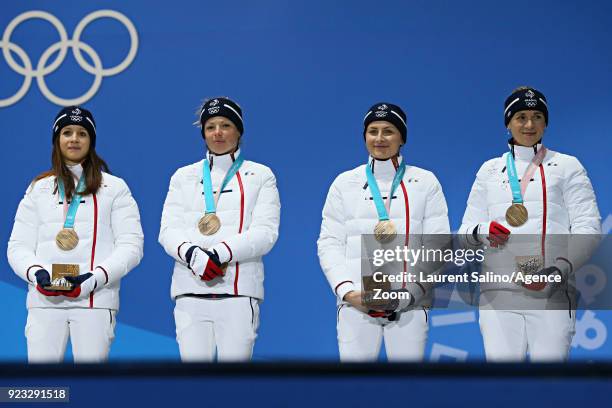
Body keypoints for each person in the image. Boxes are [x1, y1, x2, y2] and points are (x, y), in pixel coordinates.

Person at [458, 86, 601, 361]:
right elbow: (465, 232)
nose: (529, 124)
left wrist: (558, 270)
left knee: (550, 390)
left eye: (537, 116)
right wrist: (482, 232)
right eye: (521, 116)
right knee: (501, 389)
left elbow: (588, 229)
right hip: (498, 294)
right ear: (508, 122)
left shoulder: (567, 166)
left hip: (551, 294)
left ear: (546, 123)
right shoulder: (488, 170)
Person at [7, 106, 144, 363]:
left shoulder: (114, 188)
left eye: (82, 133)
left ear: (91, 141)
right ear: (57, 140)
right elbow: (17, 247)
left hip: (95, 301)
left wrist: (92, 279)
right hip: (44, 302)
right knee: (43, 388)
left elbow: (132, 246)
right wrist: (37, 274)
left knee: (91, 390)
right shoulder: (38, 189)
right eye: (67, 132)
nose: (74, 139)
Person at [317, 102, 450, 362]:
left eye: (388, 131)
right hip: (356, 303)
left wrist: (409, 293)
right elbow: (329, 243)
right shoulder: (344, 183)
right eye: (373, 131)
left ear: (402, 137)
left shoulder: (425, 182)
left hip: (410, 304)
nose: (379, 138)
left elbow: (439, 245)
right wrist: (347, 291)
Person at [159, 97, 280, 362]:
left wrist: (217, 254)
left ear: (239, 130)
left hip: (238, 294)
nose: (218, 132)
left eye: (225, 125)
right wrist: (193, 255)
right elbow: (167, 230)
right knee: (193, 385)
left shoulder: (260, 175)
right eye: (211, 126)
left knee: (234, 386)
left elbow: (266, 232)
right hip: (190, 293)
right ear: (203, 132)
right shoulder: (183, 176)